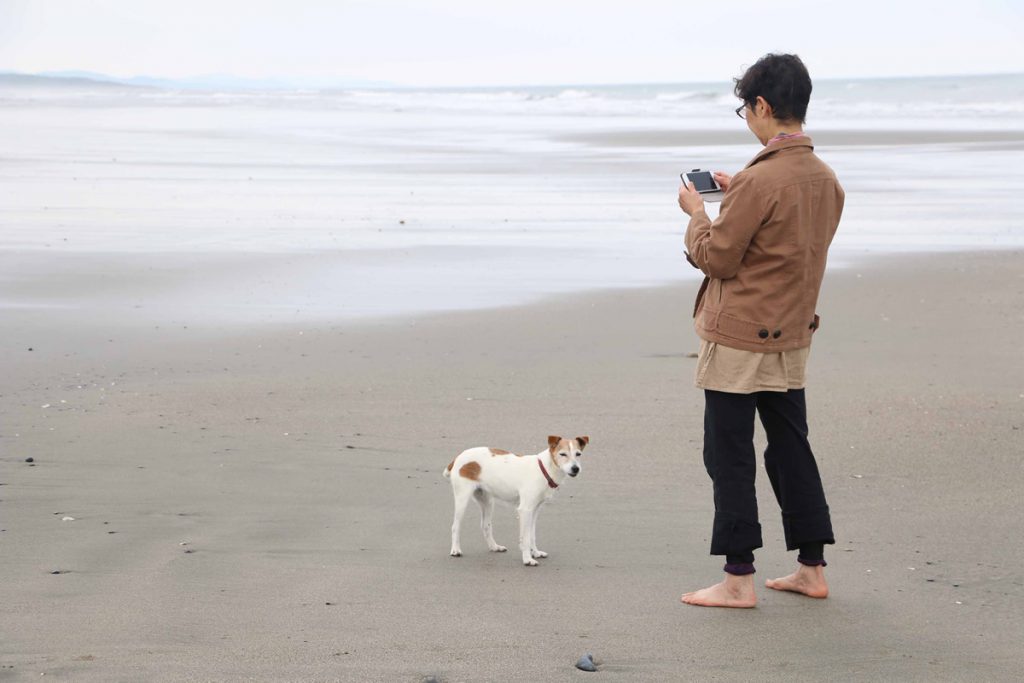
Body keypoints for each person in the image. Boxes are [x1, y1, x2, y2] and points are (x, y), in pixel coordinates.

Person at [676, 54, 845, 608]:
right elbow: (786, 243)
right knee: (791, 449)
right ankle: (812, 569)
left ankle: (737, 579)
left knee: (728, 455)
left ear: (764, 106)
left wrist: (697, 212)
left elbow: (718, 258)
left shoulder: (760, 180)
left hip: (740, 339)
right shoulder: (825, 178)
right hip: (792, 335)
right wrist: (739, 189)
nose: (747, 117)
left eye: (746, 108)